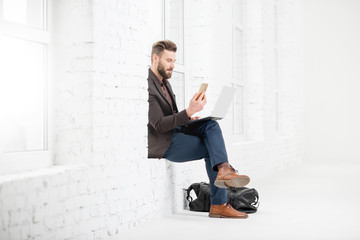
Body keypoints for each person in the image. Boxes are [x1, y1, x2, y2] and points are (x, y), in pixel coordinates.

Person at [147, 40, 251, 218]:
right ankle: (219, 202)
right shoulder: (148, 85)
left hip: (176, 131)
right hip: (165, 143)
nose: (172, 65)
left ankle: (225, 169)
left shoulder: (165, 83)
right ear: (155, 58)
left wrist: (189, 117)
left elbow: (170, 118)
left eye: (174, 60)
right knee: (213, 150)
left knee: (211, 125)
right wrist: (188, 112)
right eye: (168, 60)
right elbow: (158, 125)